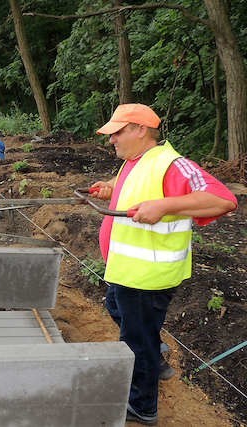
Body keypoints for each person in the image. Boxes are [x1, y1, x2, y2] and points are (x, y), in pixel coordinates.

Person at [90, 103, 237, 426]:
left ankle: (142, 406)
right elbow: (134, 187)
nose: (111, 140)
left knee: (136, 341)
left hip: (147, 277)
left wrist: (165, 205)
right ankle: (155, 353)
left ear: (141, 130)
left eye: (117, 133)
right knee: (116, 308)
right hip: (126, 272)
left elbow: (223, 199)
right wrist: (110, 189)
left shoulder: (172, 164)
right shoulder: (135, 161)